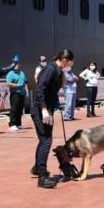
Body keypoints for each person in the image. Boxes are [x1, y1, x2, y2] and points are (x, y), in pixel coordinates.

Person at [30, 49, 74, 189]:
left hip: (46, 108)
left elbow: (51, 91)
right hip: (40, 109)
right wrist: (43, 110)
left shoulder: (58, 71)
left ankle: (37, 168)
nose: (71, 65)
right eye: (71, 62)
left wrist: (56, 104)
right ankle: (42, 177)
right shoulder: (50, 69)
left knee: (43, 139)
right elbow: (39, 89)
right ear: (65, 60)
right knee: (46, 141)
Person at [6, 62, 27, 132]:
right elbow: (8, 84)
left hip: (22, 93)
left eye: (17, 64)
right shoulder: (10, 74)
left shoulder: (22, 73)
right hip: (15, 94)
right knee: (14, 109)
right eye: (15, 64)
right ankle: (12, 124)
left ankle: (18, 124)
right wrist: (18, 85)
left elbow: (25, 83)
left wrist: (26, 91)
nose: (16, 66)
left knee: (20, 109)